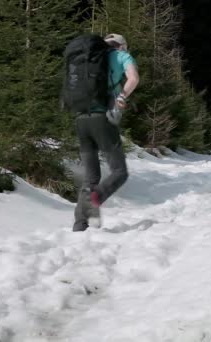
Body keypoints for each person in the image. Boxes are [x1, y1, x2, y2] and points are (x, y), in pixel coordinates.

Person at [73, 33, 140, 232]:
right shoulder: (121, 56)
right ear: (121, 46)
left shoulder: (89, 59)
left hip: (81, 119)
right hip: (102, 119)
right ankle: (96, 199)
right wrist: (122, 96)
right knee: (119, 172)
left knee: (90, 177)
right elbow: (134, 78)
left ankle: (81, 224)